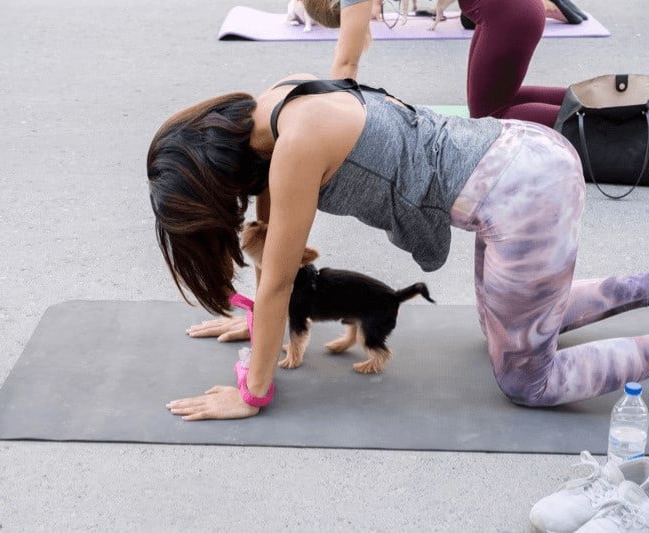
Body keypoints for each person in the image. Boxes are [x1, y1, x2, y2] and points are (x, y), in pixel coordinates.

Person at [147, 74, 649, 420]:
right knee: (507, 328)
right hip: (518, 154)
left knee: (527, 381)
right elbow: (273, 250)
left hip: (524, 192)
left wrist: (251, 394)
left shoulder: (294, 149)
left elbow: (279, 281)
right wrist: (260, 323)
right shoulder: (275, 108)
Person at [305, 0, 586, 127]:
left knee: (491, 118)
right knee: (500, 101)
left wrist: (331, 121)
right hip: (508, 11)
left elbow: (345, 64)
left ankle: (599, 127)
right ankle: (596, 104)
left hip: (508, 12)